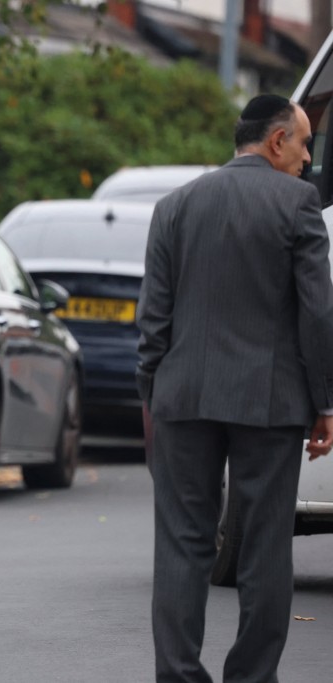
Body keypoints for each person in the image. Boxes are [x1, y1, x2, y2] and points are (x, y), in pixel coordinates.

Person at [137, 94, 333, 682]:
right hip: (270, 403)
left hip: (182, 398)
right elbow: (317, 314)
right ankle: (251, 677)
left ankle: (178, 675)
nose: (307, 159)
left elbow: (153, 321)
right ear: (277, 141)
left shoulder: (174, 206)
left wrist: (153, 395)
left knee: (182, 543)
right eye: (304, 144)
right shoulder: (299, 204)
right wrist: (324, 401)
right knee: (266, 547)